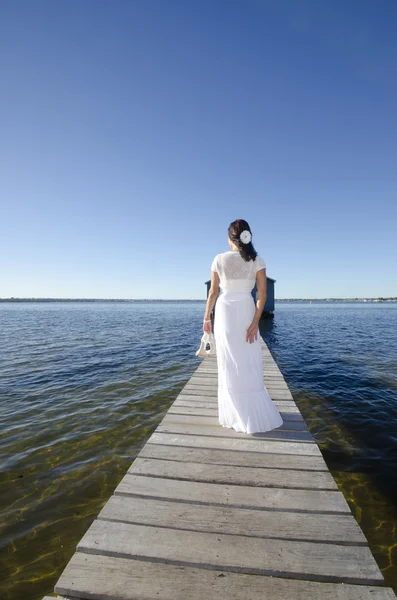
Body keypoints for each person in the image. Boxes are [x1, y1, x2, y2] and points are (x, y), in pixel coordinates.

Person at [203, 219, 283, 434]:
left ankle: (234, 411)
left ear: (231, 238)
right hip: (247, 309)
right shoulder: (257, 260)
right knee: (248, 357)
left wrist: (206, 319)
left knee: (228, 359)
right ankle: (250, 409)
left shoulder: (219, 259)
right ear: (247, 237)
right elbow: (262, 294)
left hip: (226, 311)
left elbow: (213, 293)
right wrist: (256, 321)